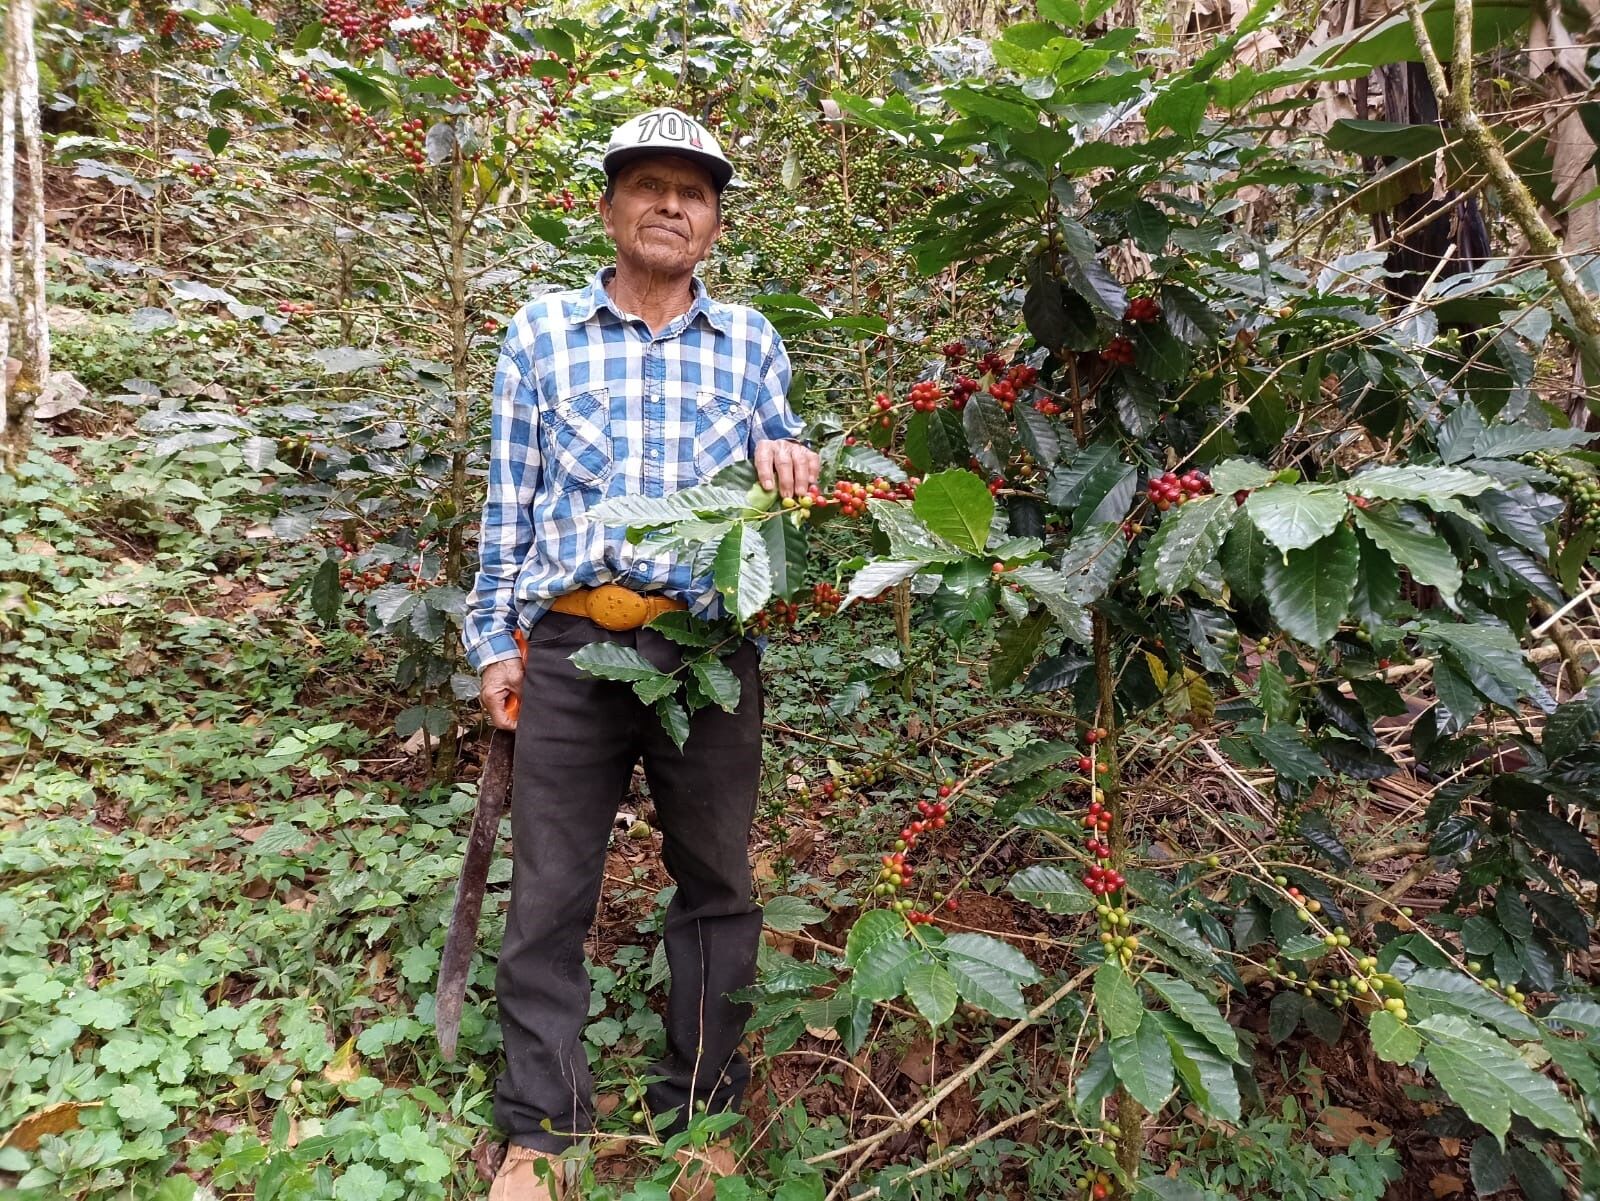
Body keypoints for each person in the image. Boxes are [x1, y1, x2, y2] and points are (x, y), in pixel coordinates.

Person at [461, 107, 821, 1201]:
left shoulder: (751, 341)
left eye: (695, 191)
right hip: (568, 643)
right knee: (551, 891)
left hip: (703, 652)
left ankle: (702, 1110)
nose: (673, 204)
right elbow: (506, 500)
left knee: (716, 883)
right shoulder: (541, 334)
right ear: (611, 206)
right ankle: (539, 1128)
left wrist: (792, 456)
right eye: (650, 185)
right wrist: (493, 644)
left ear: (713, 222)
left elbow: (785, 459)